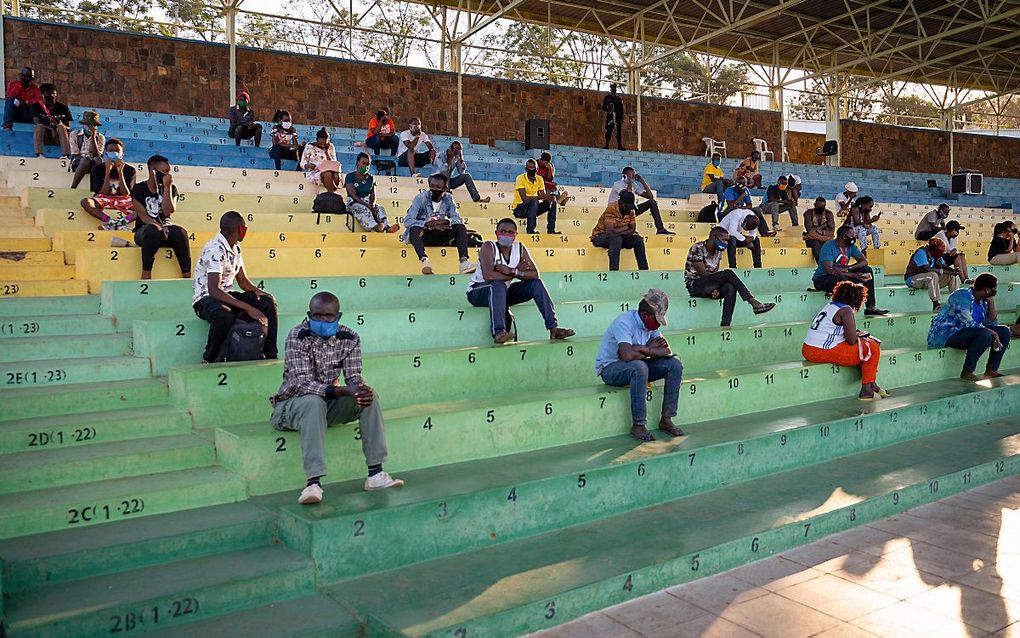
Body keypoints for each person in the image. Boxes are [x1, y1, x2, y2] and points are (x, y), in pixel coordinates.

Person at [270, 291, 403, 504]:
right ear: (309, 314)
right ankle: (313, 483)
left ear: (338, 316)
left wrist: (358, 388)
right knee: (312, 401)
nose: (322, 320)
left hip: (325, 407)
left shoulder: (349, 338)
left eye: (328, 316)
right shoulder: (297, 336)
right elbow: (303, 384)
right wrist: (342, 391)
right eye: (317, 315)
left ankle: (376, 473)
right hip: (290, 407)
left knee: (368, 396)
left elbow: (353, 377)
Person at [466, 218, 574, 344]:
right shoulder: (489, 247)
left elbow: (534, 274)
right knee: (497, 284)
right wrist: (516, 273)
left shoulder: (520, 248)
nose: (507, 235)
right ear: (496, 233)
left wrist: (513, 271)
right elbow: (489, 276)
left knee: (536, 284)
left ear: (516, 235)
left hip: (503, 292)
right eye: (503, 231)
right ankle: (499, 332)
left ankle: (553, 328)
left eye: (511, 232)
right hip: (478, 292)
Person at [595, 289, 683, 441]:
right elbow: (626, 355)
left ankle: (667, 419)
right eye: (656, 320)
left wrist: (643, 349)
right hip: (611, 369)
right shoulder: (624, 322)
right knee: (639, 367)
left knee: (674, 365)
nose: (657, 325)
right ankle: (638, 425)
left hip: (636, 364)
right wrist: (650, 350)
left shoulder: (652, 327)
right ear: (645, 315)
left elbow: (666, 350)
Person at [192, 211, 279, 364]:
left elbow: (243, 281)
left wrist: (259, 292)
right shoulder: (214, 249)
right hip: (206, 298)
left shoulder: (236, 247)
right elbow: (214, 289)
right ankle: (209, 358)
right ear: (240, 229)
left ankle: (270, 354)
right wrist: (248, 307)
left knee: (267, 302)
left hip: (228, 294)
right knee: (224, 315)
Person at [802, 281, 886, 400]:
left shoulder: (829, 306)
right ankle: (867, 390)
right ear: (855, 298)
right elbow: (851, 340)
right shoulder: (846, 310)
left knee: (867, 344)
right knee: (872, 347)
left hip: (807, 350)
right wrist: (862, 336)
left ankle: (872, 384)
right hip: (821, 351)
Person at [685, 226, 775, 327]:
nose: (726, 243)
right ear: (714, 237)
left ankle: (725, 324)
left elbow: (715, 273)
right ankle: (752, 301)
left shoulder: (718, 251)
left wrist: (714, 288)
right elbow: (703, 274)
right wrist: (714, 286)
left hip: (709, 286)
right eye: (724, 240)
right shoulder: (698, 248)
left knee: (730, 287)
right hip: (695, 286)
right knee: (728, 273)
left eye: (727, 241)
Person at [928, 274, 1011, 381]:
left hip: (968, 333)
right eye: (994, 288)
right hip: (947, 334)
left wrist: (991, 302)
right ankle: (967, 372)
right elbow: (968, 323)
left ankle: (991, 370)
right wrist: (991, 332)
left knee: (1004, 331)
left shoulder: (983, 300)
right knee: (985, 334)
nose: (995, 290)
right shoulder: (961, 296)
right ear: (986, 289)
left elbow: (991, 324)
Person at [130, 155, 191, 281]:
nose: (168, 175)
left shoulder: (171, 188)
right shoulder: (138, 189)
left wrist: (167, 188)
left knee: (180, 232)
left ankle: (186, 274)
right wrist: (159, 226)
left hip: (166, 230)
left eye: (169, 172)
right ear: (153, 171)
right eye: (164, 172)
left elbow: (168, 211)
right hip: (145, 232)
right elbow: (143, 216)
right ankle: (146, 273)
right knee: (152, 230)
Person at [403, 173, 476, 275]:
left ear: (445, 188)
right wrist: (428, 224)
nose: (434, 189)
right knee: (414, 229)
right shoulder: (421, 198)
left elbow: (457, 218)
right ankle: (424, 260)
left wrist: (446, 222)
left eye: (438, 187)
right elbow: (408, 221)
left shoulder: (448, 199)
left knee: (460, 227)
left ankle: (464, 262)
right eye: (432, 186)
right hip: (424, 235)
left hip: (441, 233)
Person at [812, 226, 889, 316]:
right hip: (823, 279)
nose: (854, 237)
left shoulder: (851, 247)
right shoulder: (828, 246)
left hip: (843, 274)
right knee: (841, 278)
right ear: (844, 236)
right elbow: (830, 270)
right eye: (852, 235)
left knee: (867, 270)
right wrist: (853, 275)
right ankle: (844, 312)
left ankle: (870, 307)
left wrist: (849, 268)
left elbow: (864, 261)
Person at [80, 138, 137, 231]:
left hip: (124, 200)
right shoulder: (97, 169)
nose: (114, 153)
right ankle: (110, 221)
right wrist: (107, 172)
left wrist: (120, 172)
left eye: (117, 151)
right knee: (85, 202)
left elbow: (126, 193)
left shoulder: (130, 170)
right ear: (106, 153)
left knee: (144, 206)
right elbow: (103, 193)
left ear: (123, 153)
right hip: (103, 198)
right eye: (110, 150)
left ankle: (121, 222)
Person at [591, 191, 648, 271]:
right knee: (616, 239)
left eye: (630, 206)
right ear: (621, 203)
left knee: (638, 239)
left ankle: (644, 271)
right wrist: (626, 227)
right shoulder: (611, 208)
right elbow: (609, 231)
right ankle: (614, 272)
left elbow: (632, 229)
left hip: (619, 237)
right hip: (600, 236)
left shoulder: (631, 211)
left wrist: (619, 231)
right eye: (627, 206)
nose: (629, 209)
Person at [607, 167, 674, 235]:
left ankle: (660, 229)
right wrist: (629, 180)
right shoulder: (618, 184)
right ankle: (629, 229)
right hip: (616, 211)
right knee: (628, 205)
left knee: (652, 202)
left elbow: (650, 197)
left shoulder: (634, 185)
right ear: (625, 175)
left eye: (634, 174)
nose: (633, 177)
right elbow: (627, 195)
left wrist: (643, 182)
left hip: (629, 210)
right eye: (631, 175)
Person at [345, 152, 398, 233]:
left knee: (379, 208)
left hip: (367, 202)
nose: (365, 166)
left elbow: (372, 196)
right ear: (357, 163)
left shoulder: (370, 178)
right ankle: (375, 227)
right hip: (354, 202)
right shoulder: (350, 176)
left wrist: (372, 205)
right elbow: (353, 195)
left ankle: (387, 227)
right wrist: (367, 205)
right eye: (364, 163)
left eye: (368, 164)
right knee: (362, 208)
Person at [905, 238, 959, 311]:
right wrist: (943, 271)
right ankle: (936, 304)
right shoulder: (921, 252)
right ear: (933, 250)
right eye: (940, 252)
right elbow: (927, 269)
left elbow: (945, 266)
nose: (942, 254)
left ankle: (957, 302)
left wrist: (953, 270)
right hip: (913, 279)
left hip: (927, 280)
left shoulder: (937, 256)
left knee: (951, 276)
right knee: (933, 275)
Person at [512, 159, 558, 234]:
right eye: (530, 168)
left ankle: (551, 230)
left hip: (533, 208)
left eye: (534, 168)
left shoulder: (539, 179)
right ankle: (530, 230)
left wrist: (549, 198)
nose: (532, 169)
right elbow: (524, 198)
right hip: (520, 209)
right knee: (534, 201)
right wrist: (541, 197)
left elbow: (543, 195)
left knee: (553, 201)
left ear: (537, 169)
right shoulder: (520, 178)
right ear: (526, 169)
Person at [69, 110, 106, 189]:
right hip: (79, 163)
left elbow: (98, 155)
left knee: (99, 160)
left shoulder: (100, 137)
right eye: (88, 124)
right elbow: (75, 154)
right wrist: (86, 158)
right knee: (85, 160)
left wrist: (93, 137)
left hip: (94, 162)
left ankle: (102, 188)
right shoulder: (75, 134)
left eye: (92, 125)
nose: (90, 127)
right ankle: (73, 187)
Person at [32, 83, 71, 158]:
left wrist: (61, 125)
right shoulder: (36, 106)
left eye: (54, 94)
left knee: (61, 127)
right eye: (49, 94)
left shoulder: (63, 108)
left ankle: (65, 155)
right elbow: (37, 123)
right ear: (43, 95)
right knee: (39, 127)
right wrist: (51, 129)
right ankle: (39, 154)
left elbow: (69, 127)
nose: (52, 96)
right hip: (46, 136)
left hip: (59, 137)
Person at [300, 128, 340, 192]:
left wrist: (326, 152)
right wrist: (309, 165)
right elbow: (302, 164)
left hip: (329, 170)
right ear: (317, 140)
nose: (322, 145)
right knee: (328, 174)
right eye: (321, 143)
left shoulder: (331, 147)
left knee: (335, 175)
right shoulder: (310, 146)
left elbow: (334, 162)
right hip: (315, 172)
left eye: (324, 144)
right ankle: (331, 194)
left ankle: (332, 193)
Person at [932, 220, 971, 285]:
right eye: (957, 230)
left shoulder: (953, 237)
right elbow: (948, 250)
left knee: (962, 255)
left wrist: (954, 250)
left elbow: (952, 249)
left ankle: (966, 278)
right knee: (957, 256)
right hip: (937, 258)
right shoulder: (941, 235)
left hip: (946, 256)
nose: (958, 232)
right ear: (952, 231)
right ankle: (963, 279)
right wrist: (953, 250)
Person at [3, 66, 41, 131]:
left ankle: (39, 126)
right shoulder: (13, 84)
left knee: (36, 106)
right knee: (10, 99)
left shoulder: (35, 87)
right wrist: (19, 85)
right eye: (27, 77)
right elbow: (10, 97)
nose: (29, 80)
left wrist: (27, 102)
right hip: (16, 113)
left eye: (31, 78)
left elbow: (39, 100)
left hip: (28, 114)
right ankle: (7, 125)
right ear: (22, 76)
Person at [803, 197, 836, 262]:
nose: (821, 209)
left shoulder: (828, 213)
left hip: (818, 237)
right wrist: (824, 226)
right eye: (819, 207)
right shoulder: (808, 213)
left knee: (829, 245)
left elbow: (832, 232)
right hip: (813, 239)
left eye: (823, 207)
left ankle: (831, 265)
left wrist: (818, 232)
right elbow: (810, 230)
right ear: (814, 205)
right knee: (816, 244)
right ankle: (821, 265)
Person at [602, 83, 624, 150]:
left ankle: (619, 145)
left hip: (617, 117)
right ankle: (607, 145)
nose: (613, 89)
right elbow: (603, 107)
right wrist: (608, 110)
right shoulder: (607, 98)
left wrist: (621, 118)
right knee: (608, 131)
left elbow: (621, 109)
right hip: (610, 118)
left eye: (614, 88)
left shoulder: (618, 99)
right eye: (612, 88)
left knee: (618, 132)